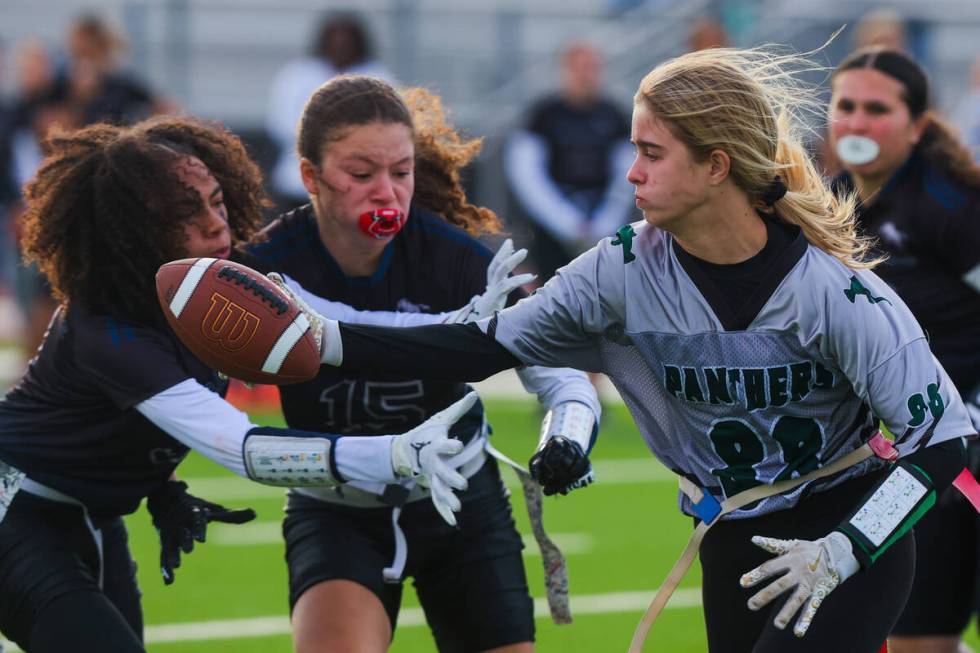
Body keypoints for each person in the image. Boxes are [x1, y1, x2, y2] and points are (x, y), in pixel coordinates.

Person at [309, 47, 977, 652]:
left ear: (717, 165)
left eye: (652, 152)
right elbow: (481, 344)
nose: (631, 172)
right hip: (732, 529)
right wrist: (325, 341)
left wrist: (844, 548)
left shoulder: (834, 292)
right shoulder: (622, 269)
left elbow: (944, 437)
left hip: (841, 525)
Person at [0, 115, 487, 653]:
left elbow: (345, 327)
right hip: (14, 508)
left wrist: (474, 324)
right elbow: (243, 448)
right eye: (186, 213)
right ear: (132, 231)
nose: (215, 225)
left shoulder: (219, 288)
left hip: (88, 516)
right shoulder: (110, 331)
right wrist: (394, 454)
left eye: (216, 201)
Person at [239, 75, 601, 653]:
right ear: (309, 176)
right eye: (361, 174)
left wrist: (569, 436)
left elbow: (557, 369)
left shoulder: (453, 257)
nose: (386, 192)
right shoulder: (263, 268)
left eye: (401, 172)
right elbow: (200, 400)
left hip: (462, 502)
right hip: (337, 508)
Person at [828, 47, 980, 653]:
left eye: (877, 109)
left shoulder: (951, 208)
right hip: (891, 454)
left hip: (959, 448)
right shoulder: (822, 205)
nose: (858, 123)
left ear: (917, 125)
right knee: (910, 638)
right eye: (846, 106)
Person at [503, 42, 633, 282]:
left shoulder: (615, 115)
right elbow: (528, 177)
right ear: (564, 69)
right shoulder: (542, 115)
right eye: (579, 67)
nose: (585, 75)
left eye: (591, 67)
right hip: (552, 229)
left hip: (603, 224)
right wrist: (567, 223)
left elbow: (626, 173)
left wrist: (606, 221)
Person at [267, 13, 394, 210]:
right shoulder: (298, 75)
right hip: (299, 184)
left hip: (358, 185)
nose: (340, 47)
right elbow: (282, 122)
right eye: (335, 42)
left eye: (347, 42)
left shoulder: (378, 77)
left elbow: (387, 125)